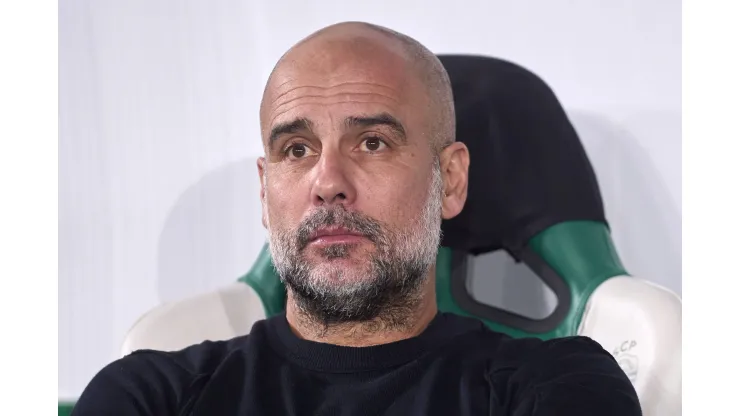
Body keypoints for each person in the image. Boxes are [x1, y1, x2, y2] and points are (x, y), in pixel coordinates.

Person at [72, 22, 642, 415]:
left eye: (372, 142)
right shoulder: (152, 396)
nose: (328, 184)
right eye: (296, 150)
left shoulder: (555, 388)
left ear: (452, 181)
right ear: (265, 190)